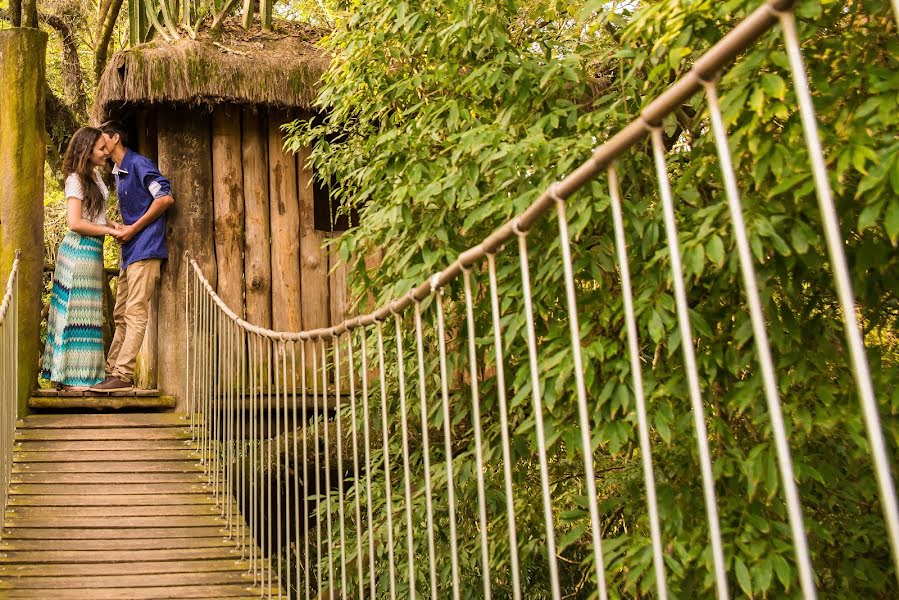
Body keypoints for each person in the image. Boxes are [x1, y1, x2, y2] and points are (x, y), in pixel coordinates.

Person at [90, 120, 175, 392]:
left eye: (103, 140)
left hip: (146, 249)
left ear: (115, 138)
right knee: (120, 314)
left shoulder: (138, 164)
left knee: (136, 312)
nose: (99, 146)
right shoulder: (117, 172)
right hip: (130, 252)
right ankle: (112, 370)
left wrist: (134, 228)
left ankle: (123, 375)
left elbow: (164, 198)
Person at [42, 127, 123, 390]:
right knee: (74, 311)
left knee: (88, 313)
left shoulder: (96, 177)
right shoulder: (75, 180)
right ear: (87, 152)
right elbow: (75, 222)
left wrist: (113, 224)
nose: (106, 152)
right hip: (77, 251)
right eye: (100, 148)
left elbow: (94, 216)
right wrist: (109, 230)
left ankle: (88, 375)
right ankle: (70, 378)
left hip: (93, 252)